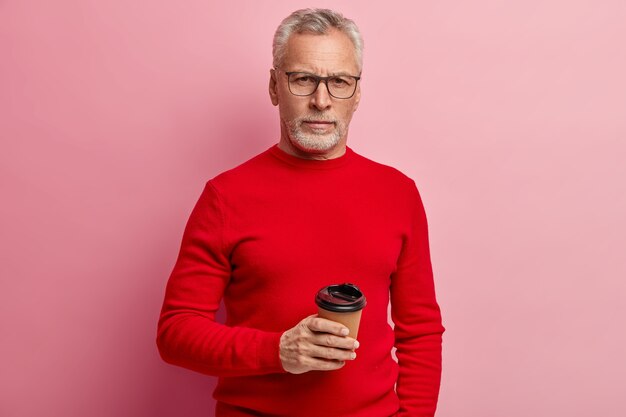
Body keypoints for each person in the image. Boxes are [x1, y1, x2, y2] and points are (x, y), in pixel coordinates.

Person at [157, 8, 444, 417]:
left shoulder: (398, 193)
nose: (321, 100)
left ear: (358, 93)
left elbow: (421, 332)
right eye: (303, 79)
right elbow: (176, 332)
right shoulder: (225, 196)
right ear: (275, 86)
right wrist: (277, 350)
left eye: (339, 82)